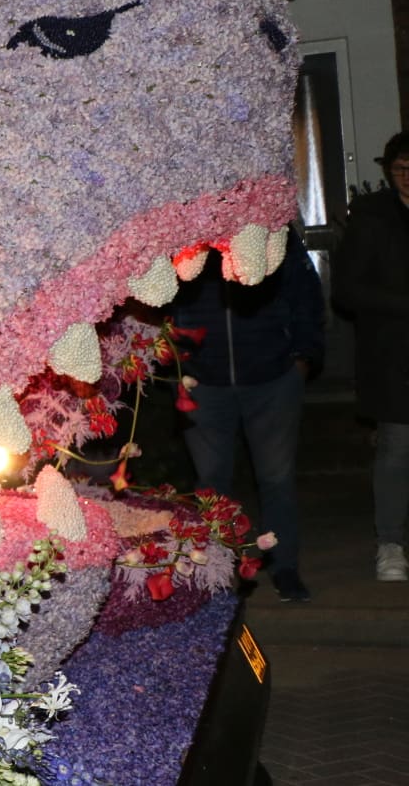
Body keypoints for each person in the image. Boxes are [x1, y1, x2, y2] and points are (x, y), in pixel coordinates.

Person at [172, 222, 325, 601]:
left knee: (276, 477)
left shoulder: (269, 225)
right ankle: (215, 572)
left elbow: (305, 292)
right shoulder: (182, 227)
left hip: (272, 375)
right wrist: (174, 359)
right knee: (211, 481)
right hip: (202, 378)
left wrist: (303, 355)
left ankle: (284, 567)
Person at [333, 131, 409, 582]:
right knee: (397, 448)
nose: (408, 177)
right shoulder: (372, 216)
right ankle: (391, 543)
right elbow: (347, 290)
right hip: (394, 354)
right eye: (401, 169)